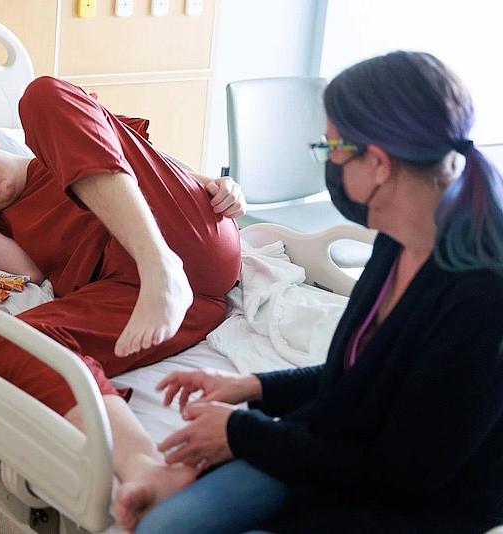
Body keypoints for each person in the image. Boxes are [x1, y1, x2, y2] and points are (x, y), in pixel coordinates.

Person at [124, 51, 503, 533]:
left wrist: (241, 434)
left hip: (412, 509)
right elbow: (366, 372)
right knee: (166, 524)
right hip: (341, 452)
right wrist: (254, 388)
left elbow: (402, 474)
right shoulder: (397, 236)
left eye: (329, 148)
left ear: (378, 164)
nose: (324, 161)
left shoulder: (482, 299)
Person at [0, 76, 246, 526]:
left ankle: (159, 265)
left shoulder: (62, 140)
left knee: (41, 94)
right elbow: (28, 273)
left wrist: (213, 182)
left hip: (182, 240)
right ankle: (145, 468)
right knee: (8, 344)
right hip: (147, 299)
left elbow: (143, 156)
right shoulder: (6, 225)